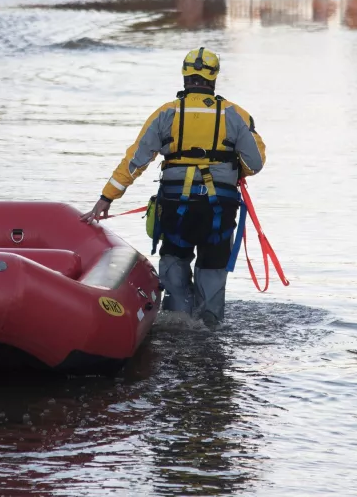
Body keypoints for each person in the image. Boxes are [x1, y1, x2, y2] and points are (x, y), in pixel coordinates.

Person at [80, 48, 265, 326]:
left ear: (185, 74)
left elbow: (135, 160)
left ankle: (177, 323)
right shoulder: (235, 114)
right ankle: (208, 328)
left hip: (176, 206)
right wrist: (230, 168)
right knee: (212, 268)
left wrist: (107, 198)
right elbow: (256, 161)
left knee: (175, 260)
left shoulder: (166, 113)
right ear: (214, 76)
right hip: (218, 211)